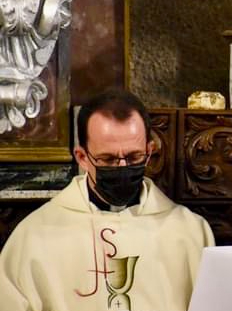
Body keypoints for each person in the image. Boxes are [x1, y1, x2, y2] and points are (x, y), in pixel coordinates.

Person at [0, 89, 214, 311]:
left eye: (133, 157)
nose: (122, 167)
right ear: (82, 157)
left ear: (149, 151)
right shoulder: (34, 236)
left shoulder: (190, 232)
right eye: (108, 159)